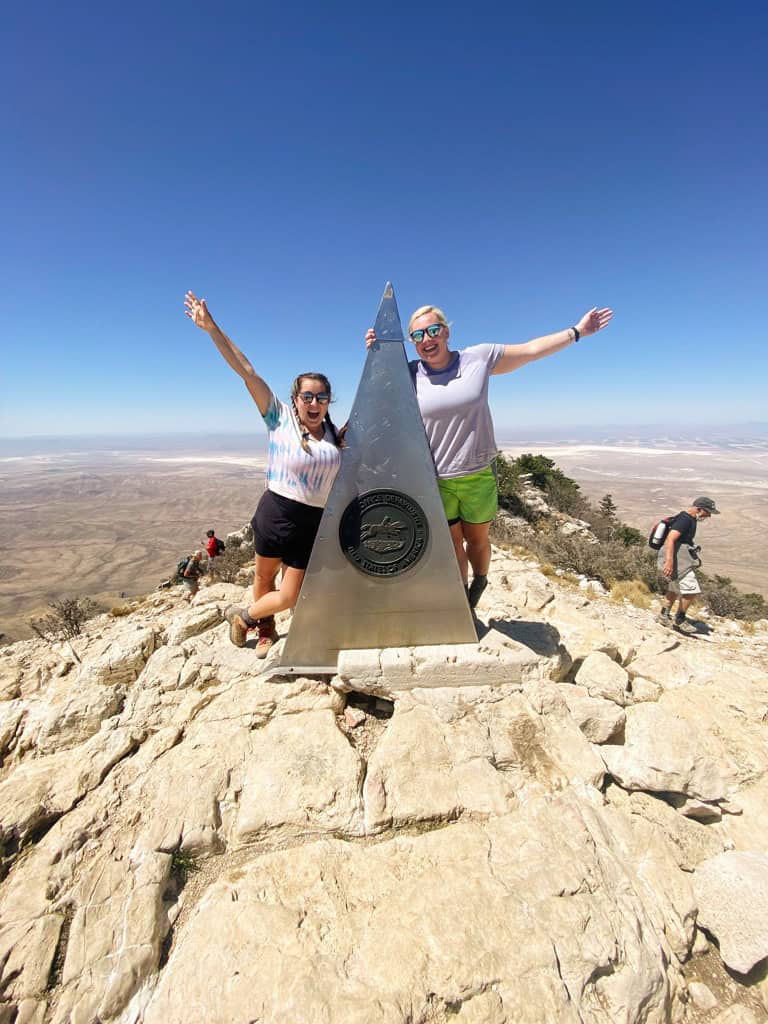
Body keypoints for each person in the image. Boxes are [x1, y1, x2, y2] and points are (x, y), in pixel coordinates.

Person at [365, 304, 613, 607]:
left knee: (477, 540)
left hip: (478, 473)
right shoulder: (410, 373)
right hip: (435, 479)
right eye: (417, 335)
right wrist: (378, 352)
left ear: (446, 331)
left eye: (432, 330)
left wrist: (577, 332)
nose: (426, 339)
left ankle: (480, 579)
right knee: (452, 543)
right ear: (413, 341)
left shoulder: (477, 358)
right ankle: (462, 604)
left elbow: (531, 350)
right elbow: (378, 391)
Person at [185, 291, 344, 655]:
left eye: (321, 397)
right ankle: (265, 631)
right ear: (296, 400)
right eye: (308, 397)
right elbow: (247, 371)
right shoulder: (279, 419)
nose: (314, 403)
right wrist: (212, 329)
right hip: (277, 512)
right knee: (263, 578)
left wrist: (375, 350)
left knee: (289, 595)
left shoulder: (337, 435)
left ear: (329, 401)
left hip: (312, 521)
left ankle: (242, 616)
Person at [657, 496, 719, 634]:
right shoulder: (686, 520)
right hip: (676, 560)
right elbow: (670, 538)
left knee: (674, 589)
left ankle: (663, 615)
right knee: (691, 591)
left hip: (680, 559)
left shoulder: (688, 518)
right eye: (707, 512)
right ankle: (680, 620)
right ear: (699, 509)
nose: (709, 515)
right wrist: (669, 561)